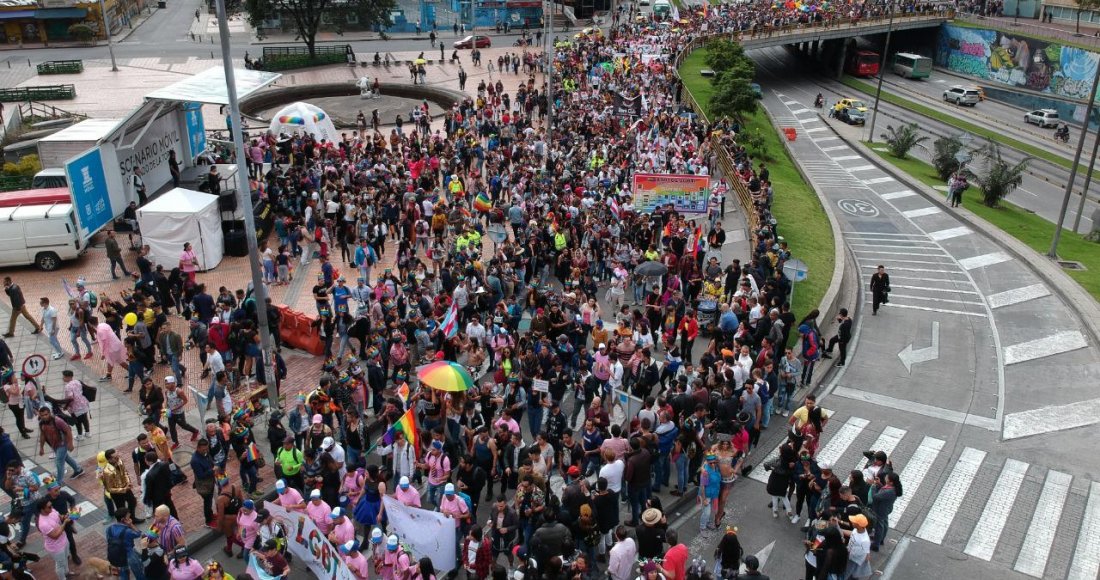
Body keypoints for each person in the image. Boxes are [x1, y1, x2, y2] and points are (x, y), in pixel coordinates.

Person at [37, 406, 84, 484]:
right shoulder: (41, 423)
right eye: (42, 415)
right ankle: (78, 469)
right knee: (66, 458)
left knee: (59, 462)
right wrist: (41, 447)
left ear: (49, 413)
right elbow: (42, 435)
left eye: (46, 414)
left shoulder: (57, 421)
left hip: (62, 444)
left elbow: (68, 430)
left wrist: (70, 443)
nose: (44, 417)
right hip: (54, 444)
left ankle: (59, 482)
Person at [106, 508, 147, 580]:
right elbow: (138, 533)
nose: (130, 518)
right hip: (129, 554)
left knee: (123, 573)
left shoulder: (109, 528)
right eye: (128, 517)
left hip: (117, 555)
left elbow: (108, 539)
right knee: (139, 571)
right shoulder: (127, 531)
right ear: (123, 519)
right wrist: (131, 524)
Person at [36, 499, 71, 579]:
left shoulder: (52, 510)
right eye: (49, 507)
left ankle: (67, 572)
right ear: (42, 509)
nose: (52, 507)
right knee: (60, 564)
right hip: (56, 548)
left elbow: (60, 517)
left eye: (51, 505)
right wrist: (65, 523)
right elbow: (55, 536)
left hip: (64, 540)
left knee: (66, 558)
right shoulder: (43, 524)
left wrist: (64, 517)